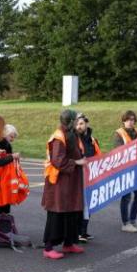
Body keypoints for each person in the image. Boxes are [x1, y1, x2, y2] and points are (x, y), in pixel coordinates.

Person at [42, 109, 88, 259]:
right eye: (76, 120)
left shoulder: (72, 134)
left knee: (72, 212)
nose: (78, 123)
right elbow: (57, 160)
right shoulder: (59, 136)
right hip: (60, 182)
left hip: (71, 180)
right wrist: (77, 162)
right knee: (57, 213)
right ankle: (48, 248)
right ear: (70, 122)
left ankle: (69, 243)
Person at [113, 110, 137, 232]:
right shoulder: (119, 134)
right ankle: (125, 223)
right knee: (126, 197)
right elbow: (118, 153)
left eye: (133, 120)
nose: (131, 122)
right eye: (128, 120)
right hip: (125, 170)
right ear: (124, 121)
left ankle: (133, 220)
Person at [75, 113, 101, 243]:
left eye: (81, 123)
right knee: (79, 205)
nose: (78, 126)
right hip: (77, 177)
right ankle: (77, 232)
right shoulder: (73, 139)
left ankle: (83, 231)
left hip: (90, 176)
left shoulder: (92, 139)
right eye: (77, 124)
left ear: (86, 124)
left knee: (88, 205)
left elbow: (99, 156)